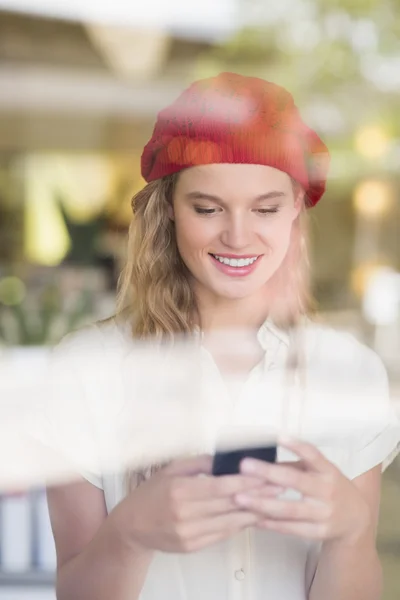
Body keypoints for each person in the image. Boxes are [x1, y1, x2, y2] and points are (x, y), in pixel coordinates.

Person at [46, 72, 399, 600]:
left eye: (265, 208)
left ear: (296, 209)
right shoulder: (84, 370)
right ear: (168, 209)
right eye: (207, 209)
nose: (237, 235)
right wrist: (131, 532)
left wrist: (349, 535)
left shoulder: (350, 370)